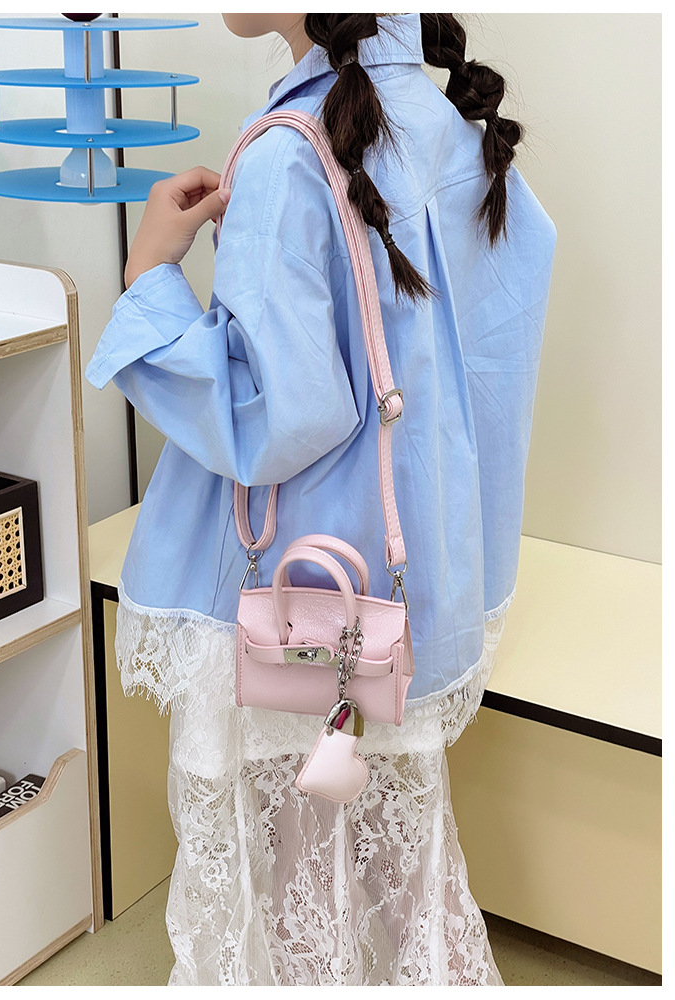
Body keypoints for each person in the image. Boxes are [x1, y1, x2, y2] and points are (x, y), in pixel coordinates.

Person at [85, 12, 556, 987]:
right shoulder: (444, 117)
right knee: (397, 862)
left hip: (294, 588)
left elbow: (279, 414)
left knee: (292, 869)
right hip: (411, 575)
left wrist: (150, 276)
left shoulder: (290, 155)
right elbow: (498, 332)